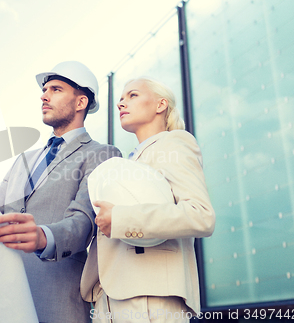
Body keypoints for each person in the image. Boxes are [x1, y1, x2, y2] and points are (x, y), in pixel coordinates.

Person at [0, 61, 122, 323]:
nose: (44, 95)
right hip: (5, 298)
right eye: (44, 89)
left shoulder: (101, 154)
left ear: (81, 102)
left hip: (58, 299)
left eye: (56, 89)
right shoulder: (24, 160)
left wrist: (42, 237)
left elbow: (84, 221)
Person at [81, 77, 216, 322]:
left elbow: (201, 215)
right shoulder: (133, 161)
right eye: (120, 98)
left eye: (132, 95)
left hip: (150, 300)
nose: (121, 103)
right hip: (110, 300)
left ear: (160, 104)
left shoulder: (175, 143)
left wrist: (121, 219)